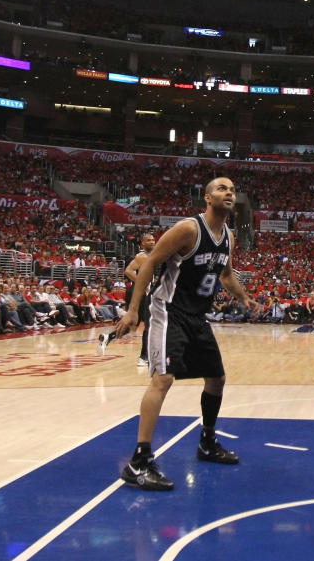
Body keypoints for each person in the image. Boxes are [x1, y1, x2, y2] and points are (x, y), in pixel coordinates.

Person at [113, 177, 258, 491]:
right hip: (169, 311)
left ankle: (207, 442)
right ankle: (139, 462)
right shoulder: (188, 229)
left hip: (197, 317)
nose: (229, 193)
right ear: (207, 197)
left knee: (216, 378)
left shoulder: (229, 236)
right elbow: (150, 263)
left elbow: (226, 274)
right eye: (222, 188)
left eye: (232, 189)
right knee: (162, 379)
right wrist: (134, 309)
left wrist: (244, 297)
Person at [97, 233, 156, 363]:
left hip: (140, 291)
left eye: (153, 240)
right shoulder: (142, 256)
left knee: (133, 324)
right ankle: (144, 357)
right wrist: (144, 284)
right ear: (142, 243)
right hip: (139, 291)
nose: (152, 242)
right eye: (148, 240)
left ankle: (108, 337)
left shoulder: (152, 255)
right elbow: (128, 271)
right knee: (149, 325)